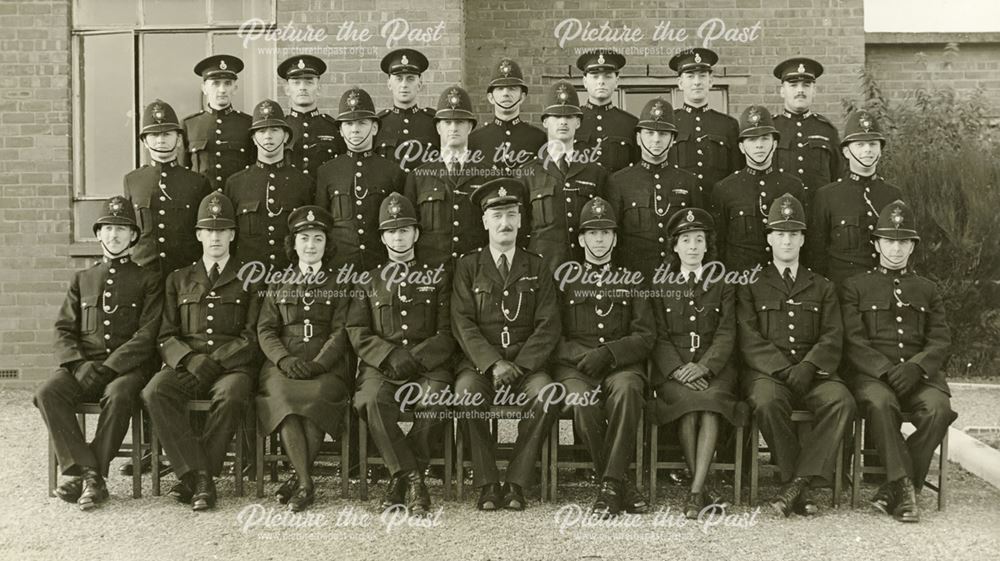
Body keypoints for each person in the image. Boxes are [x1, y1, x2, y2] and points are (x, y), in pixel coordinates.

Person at [35, 197, 163, 510]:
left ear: (133, 236)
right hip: (83, 365)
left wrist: (109, 367)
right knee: (47, 392)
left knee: (119, 396)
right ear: (98, 235)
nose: (114, 235)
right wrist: (78, 365)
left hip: (126, 370)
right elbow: (63, 329)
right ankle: (88, 473)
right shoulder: (83, 279)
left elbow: (147, 335)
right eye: (108, 228)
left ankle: (89, 473)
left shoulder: (148, 279)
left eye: (122, 229)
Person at [736, 192, 856, 517]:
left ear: (802, 239)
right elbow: (749, 337)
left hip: (814, 373)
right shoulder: (752, 284)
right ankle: (799, 484)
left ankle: (794, 485)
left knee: (842, 401)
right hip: (771, 375)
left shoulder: (823, 286)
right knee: (765, 401)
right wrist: (781, 368)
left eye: (793, 234)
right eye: (780, 234)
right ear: (769, 238)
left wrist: (809, 365)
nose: (786, 241)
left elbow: (833, 335)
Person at [142, 192, 262, 511]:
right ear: (198, 235)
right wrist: (190, 359)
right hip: (188, 365)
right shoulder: (178, 278)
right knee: (155, 391)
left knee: (233, 394)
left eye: (222, 230)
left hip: (231, 368)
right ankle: (200, 475)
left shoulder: (250, 278)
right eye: (209, 231)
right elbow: (165, 334)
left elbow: (252, 337)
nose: (215, 237)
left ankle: (195, 478)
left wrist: (219, 361)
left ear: (233, 235)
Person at [839, 200, 956, 523]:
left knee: (939, 409)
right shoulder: (855, 286)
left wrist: (917, 367)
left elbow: (940, 339)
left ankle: (893, 488)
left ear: (913, 246)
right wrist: (886, 370)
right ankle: (905, 489)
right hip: (874, 377)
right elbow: (853, 340)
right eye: (889, 241)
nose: (896, 248)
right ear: (876, 244)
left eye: (903, 242)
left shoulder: (927, 289)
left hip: (920, 376)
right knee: (880, 403)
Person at [450, 178, 562, 511]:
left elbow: (548, 325)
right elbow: (462, 322)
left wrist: (522, 365)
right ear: (485, 221)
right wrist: (493, 363)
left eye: (512, 214)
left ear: (521, 219)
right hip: (481, 366)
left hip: (526, 367)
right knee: (466, 396)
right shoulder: (468, 267)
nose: (505, 223)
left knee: (547, 396)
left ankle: (516, 481)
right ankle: (486, 483)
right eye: (497, 215)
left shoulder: (537, 266)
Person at [348, 193, 457, 516]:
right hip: (382, 368)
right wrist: (389, 355)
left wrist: (416, 359)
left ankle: (401, 480)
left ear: (416, 234)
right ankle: (414, 479)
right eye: (392, 231)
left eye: (405, 230)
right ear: (382, 237)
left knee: (436, 399)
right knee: (369, 401)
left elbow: (447, 332)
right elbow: (357, 331)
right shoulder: (367, 280)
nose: (399, 236)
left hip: (428, 367)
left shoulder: (436, 277)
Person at [553, 197, 653, 517]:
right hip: (576, 367)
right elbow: (550, 336)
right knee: (582, 402)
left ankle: (608, 484)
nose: (600, 239)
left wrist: (610, 353)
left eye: (606, 233)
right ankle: (619, 482)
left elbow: (645, 335)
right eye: (592, 233)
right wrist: (586, 356)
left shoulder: (632, 280)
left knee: (628, 390)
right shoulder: (563, 280)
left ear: (615, 238)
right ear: (581, 239)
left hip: (619, 365)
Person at [256, 205, 352, 512]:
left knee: (319, 397)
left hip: (326, 366)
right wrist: (283, 360)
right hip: (283, 365)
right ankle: (306, 483)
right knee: (284, 398)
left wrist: (320, 363)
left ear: (327, 244)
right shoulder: (278, 281)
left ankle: (299, 480)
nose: (311, 246)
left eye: (318, 239)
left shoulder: (341, 282)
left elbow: (341, 331)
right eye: (304, 239)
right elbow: (266, 329)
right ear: (294, 244)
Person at [649, 207, 739, 519]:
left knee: (710, 404)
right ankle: (702, 489)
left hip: (715, 371)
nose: (692, 247)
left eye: (698, 240)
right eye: (685, 240)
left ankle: (695, 492)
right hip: (674, 373)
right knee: (688, 409)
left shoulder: (723, 282)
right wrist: (677, 369)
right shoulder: (660, 283)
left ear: (706, 246)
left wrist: (704, 366)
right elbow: (657, 335)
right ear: (674, 246)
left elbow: (727, 332)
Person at [606, 97, 703, 277]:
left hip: (677, 279)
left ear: (673, 139)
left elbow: (699, 236)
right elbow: (613, 239)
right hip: (635, 279)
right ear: (638, 137)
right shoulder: (619, 181)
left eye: (664, 134)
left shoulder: (689, 182)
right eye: (649, 133)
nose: (656, 140)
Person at [807, 110, 904, 285]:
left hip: (882, 292)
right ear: (845, 152)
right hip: (842, 292)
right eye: (860, 144)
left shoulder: (892, 195)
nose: (867, 150)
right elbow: (817, 255)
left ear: (880, 151)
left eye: (873, 144)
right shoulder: (827, 196)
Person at [315, 87, 405, 273]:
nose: (355, 129)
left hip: (380, 268)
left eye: (362, 123)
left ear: (374, 128)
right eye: (348, 124)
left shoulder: (392, 171)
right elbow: (322, 224)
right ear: (340, 130)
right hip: (339, 268)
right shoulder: (327, 171)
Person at [404, 85, 493, 268]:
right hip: (432, 271)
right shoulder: (419, 176)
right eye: (447, 122)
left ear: (470, 127)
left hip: (474, 270)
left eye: (460, 122)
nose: (453, 128)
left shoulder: (488, 174)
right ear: (438, 127)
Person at [523, 80, 607, 274]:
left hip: (585, 275)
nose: (563, 122)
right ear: (545, 122)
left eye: (569, 116)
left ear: (578, 122)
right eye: (556, 116)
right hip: (543, 275)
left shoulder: (595, 173)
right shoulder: (527, 174)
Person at [224, 99, 314, 273]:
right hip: (249, 277)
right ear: (253, 138)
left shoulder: (303, 183)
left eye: (274, 130)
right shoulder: (235, 183)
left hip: (291, 277)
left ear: (286, 136)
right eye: (262, 131)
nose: (268, 136)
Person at [712, 105, 805, 273]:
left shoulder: (793, 186)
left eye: (765, 139)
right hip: (741, 279)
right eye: (752, 140)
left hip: (781, 278)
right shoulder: (724, 189)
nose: (759, 146)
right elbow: (719, 245)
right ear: (741, 147)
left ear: (775, 143)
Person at [125, 99, 212, 278]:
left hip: (187, 279)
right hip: (145, 279)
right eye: (154, 135)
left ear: (179, 139)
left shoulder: (197, 182)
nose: (160, 140)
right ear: (144, 141)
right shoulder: (132, 181)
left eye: (167, 134)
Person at [667, 48, 740, 204]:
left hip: (717, 206)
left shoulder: (728, 125)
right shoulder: (669, 123)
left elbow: (736, 174)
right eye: (690, 76)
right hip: (678, 206)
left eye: (702, 76)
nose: (697, 82)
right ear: (680, 83)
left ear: (711, 81)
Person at [182, 55, 253, 190]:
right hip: (201, 202)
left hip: (237, 201)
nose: (222, 90)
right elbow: (183, 172)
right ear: (204, 88)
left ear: (235, 88)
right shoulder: (189, 125)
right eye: (215, 83)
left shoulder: (248, 124)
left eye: (227, 83)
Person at [772, 58, 841, 190]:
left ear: (814, 91)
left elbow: (838, 177)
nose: (800, 91)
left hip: (818, 208)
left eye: (806, 85)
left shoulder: (827, 130)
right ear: (782, 91)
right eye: (793, 85)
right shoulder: (772, 128)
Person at [468, 58, 546, 171]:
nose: (506, 93)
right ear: (490, 98)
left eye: (512, 88)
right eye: (500, 89)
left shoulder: (538, 139)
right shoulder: (474, 141)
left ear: (522, 97)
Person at [278, 54, 346, 177]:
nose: (302, 88)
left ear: (318, 88)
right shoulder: (279, 127)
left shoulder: (334, 128)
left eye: (309, 82)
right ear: (287, 89)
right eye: (296, 83)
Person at [375, 48, 439, 173]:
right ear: (389, 84)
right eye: (398, 78)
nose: (404, 84)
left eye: (410, 79)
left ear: (419, 84)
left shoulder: (434, 121)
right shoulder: (378, 124)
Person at [575, 50, 638, 173]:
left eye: (607, 76)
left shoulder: (631, 124)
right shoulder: (572, 121)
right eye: (595, 76)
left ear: (616, 81)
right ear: (585, 82)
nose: (601, 81)